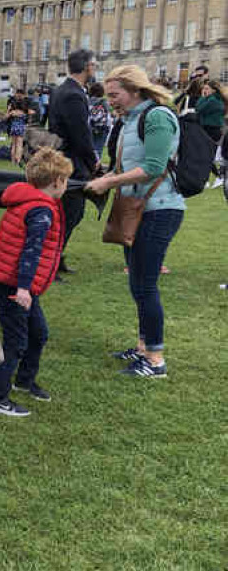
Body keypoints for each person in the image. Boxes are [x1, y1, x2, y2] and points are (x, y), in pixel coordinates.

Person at [84, 66, 184, 379]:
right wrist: (104, 178)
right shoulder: (130, 120)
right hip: (138, 208)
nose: (111, 101)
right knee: (137, 282)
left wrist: (108, 184)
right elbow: (129, 165)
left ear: (135, 90)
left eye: (115, 95)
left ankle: (155, 360)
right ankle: (143, 347)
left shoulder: (156, 117)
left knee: (145, 284)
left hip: (159, 209)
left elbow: (153, 167)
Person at [0, 149, 72, 417]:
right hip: (15, 285)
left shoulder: (27, 201)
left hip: (16, 283)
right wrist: (22, 288)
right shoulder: (41, 211)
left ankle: (24, 380)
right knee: (16, 341)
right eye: (66, 180)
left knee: (39, 333)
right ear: (57, 181)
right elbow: (30, 252)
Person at [49, 49, 99, 275]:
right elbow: (81, 134)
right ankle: (51, 261)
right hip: (71, 162)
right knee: (70, 213)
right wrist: (93, 161)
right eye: (94, 65)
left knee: (68, 213)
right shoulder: (73, 94)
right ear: (87, 66)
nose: (95, 69)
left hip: (63, 158)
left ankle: (56, 258)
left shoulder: (63, 90)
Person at [88, 82, 112, 156]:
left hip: (91, 127)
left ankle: (91, 164)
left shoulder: (87, 101)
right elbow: (109, 112)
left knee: (91, 148)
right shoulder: (103, 101)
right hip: (102, 127)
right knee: (99, 149)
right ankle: (96, 164)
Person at [6, 88, 29, 164]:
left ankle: (12, 161)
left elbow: (6, 116)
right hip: (21, 127)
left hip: (13, 126)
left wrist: (9, 110)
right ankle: (18, 160)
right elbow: (27, 118)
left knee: (13, 145)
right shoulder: (23, 111)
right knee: (19, 145)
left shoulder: (13, 111)